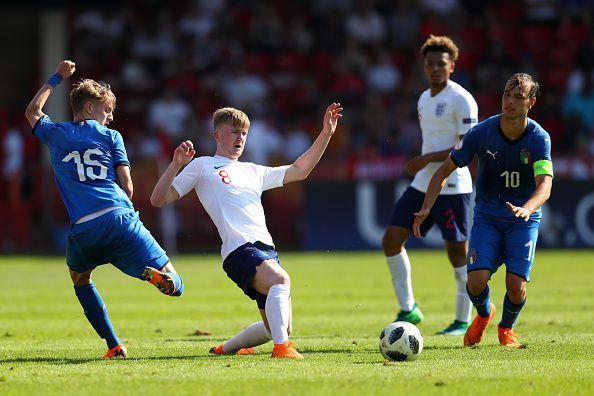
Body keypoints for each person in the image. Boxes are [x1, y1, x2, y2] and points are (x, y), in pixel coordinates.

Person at [150, 103, 343, 359]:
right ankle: (281, 349)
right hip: (239, 250)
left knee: (277, 326)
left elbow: (300, 170)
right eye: (234, 132)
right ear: (217, 135)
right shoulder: (203, 166)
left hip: (266, 251)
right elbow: (158, 200)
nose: (240, 138)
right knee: (281, 281)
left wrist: (326, 134)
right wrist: (175, 165)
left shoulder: (254, 171)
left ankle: (225, 349)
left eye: (244, 133)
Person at [24, 60, 185, 359]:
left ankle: (113, 345)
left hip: (84, 227)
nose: (111, 117)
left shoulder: (57, 133)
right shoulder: (112, 137)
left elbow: (32, 112)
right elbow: (128, 186)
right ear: (89, 108)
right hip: (120, 217)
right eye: (107, 110)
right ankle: (158, 278)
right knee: (177, 286)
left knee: (80, 278)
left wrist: (56, 77)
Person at [412, 73, 553, 348]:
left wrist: (526, 209)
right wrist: (427, 206)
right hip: (488, 215)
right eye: (506, 95)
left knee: (516, 285)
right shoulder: (481, 133)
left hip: (521, 220)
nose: (509, 101)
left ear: (531, 103)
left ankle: (506, 329)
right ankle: (484, 314)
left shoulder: (539, 139)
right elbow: (444, 170)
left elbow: (544, 186)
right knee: (476, 281)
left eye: (518, 97)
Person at [382, 35, 478, 335]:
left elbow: (467, 145)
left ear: (452, 66)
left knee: (457, 254)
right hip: (423, 183)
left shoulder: (462, 99)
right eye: (430, 64)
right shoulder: (424, 98)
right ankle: (409, 309)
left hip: (453, 184)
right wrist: (423, 162)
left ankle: (463, 321)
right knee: (391, 241)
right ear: (424, 66)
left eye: (441, 63)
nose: (435, 68)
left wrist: (424, 159)